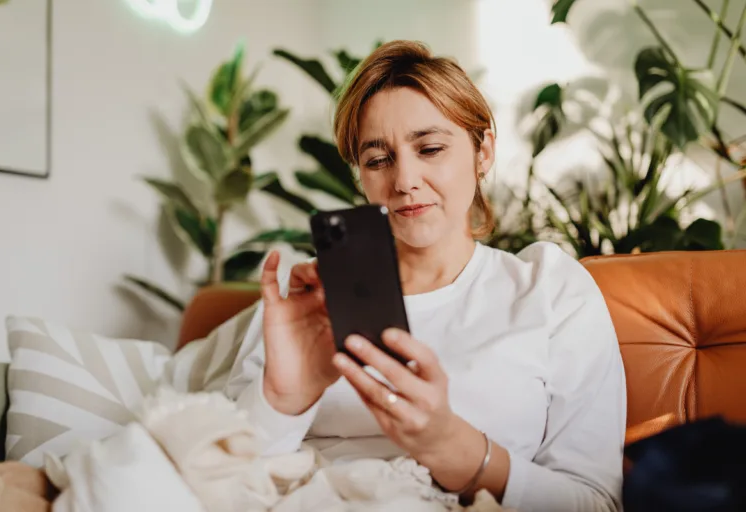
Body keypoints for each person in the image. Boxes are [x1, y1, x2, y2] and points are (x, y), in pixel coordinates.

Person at [224, 40, 626, 511]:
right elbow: (221, 481)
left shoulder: (549, 288)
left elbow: (597, 503)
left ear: (484, 152)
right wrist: (282, 399)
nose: (404, 181)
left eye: (430, 148)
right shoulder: (308, 299)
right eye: (377, 160)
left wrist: (451, 447)